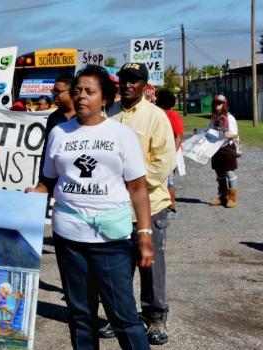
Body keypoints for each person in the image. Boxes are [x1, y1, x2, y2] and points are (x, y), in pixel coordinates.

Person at [27, 65, 154, 350]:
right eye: (77, 90)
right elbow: (47, 181)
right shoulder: (59, 133)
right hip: (68, 238)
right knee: (81, 315)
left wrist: (145, 234)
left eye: (89, 91)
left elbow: (137, 188)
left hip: (110, 240)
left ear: (105, 99)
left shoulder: (121, 135)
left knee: (123, 315)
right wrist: (31, 196)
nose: (81, 96)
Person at [110, 62, 176, 345]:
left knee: (150, 267)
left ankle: (155, 317)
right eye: (125, 79)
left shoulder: (155, 116)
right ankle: (121, 317)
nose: (128, 85)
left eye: (135, 81)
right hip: (114, 208)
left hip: (150, 205)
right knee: (118, 267)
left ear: (144, 86)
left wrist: (133, 187)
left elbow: (164, 162)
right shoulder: (108, 114)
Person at [38, 75, 76, 180]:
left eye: (57, 92)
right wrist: (42, 179)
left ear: (71, 92)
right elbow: (47, 150)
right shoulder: (53, 118)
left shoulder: (84, 116)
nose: (54, 95)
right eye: (53, 92)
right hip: (55, 178)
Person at [207, 94, 239, 208]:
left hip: (227, 148)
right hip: (215, 148)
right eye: (215, 102)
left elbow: (234, 133)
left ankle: (232, 198)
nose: (217, 104)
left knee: (229, 173)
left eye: (219, 103)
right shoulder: (214, 117)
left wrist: (225, 134)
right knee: (219, 172)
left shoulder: (229, 117)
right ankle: (222, 198)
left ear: (224, 104)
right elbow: (210, 130)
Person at [156, 89, 184, 211]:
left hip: (170, 152)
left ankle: (171, 203)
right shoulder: (156, 113)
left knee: (169, 180)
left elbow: (178, 136)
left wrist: (172, 154)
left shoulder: (173, 115)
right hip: (158, 151)